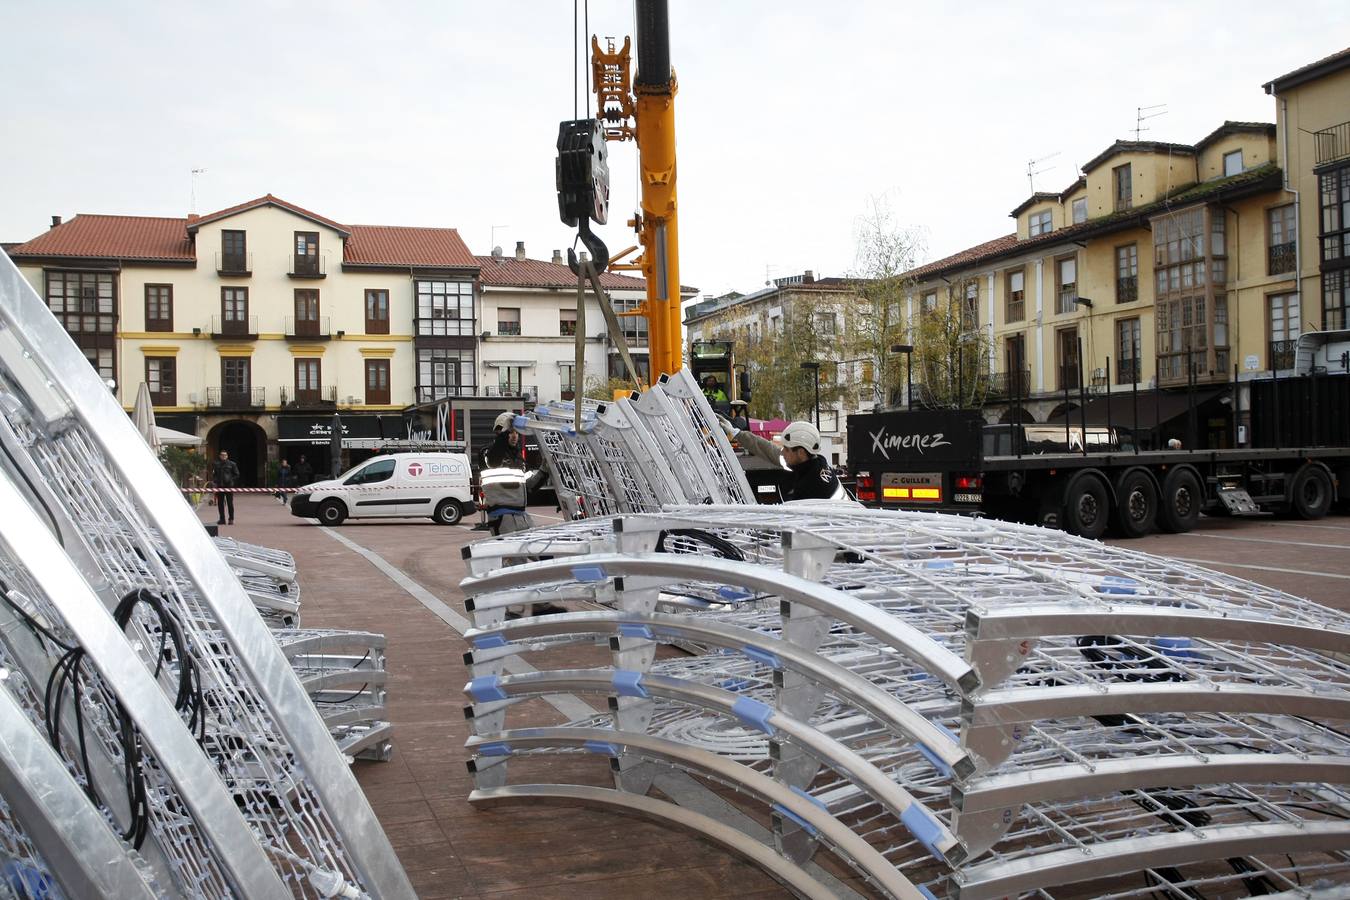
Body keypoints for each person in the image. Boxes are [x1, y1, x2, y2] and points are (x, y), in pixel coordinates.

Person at [719, 418, 845, 502]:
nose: (782, 452)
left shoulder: (812, 486)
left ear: (801, 452)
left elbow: (793, 523)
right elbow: (769, 450)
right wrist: (737, 433)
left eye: (786, 449)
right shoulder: (810, 463)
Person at [211, 450, 241, 525]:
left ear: (227, 456)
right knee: (220, 504)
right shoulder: (216, 464)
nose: (223, 456)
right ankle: (222, 519)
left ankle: (231, 519)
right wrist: (215, 481)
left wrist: (231, 479)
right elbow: (214, 474)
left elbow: (237, 474)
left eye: (225, 455)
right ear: (220, 456)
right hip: (220, 486)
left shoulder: (232, 464)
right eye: (222, 455)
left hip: (229, 486)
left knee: (230, 503)